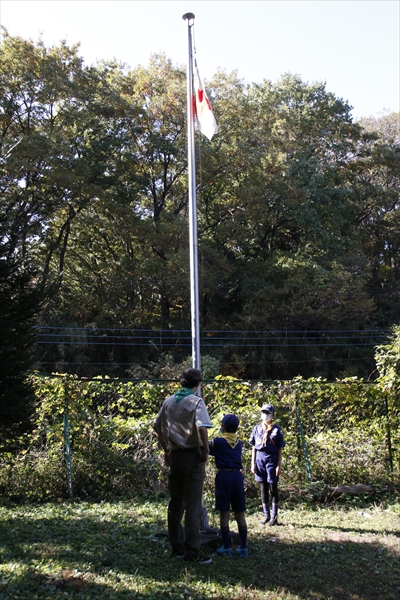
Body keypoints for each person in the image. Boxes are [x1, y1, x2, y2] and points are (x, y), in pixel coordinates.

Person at [153, 368, 213, 564]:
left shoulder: (169, 401)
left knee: (176, 503)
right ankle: (192, 552)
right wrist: (205, 449)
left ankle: (176, 546)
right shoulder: (196, 401)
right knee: (193, 504)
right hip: (192, 456)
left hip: (175, 456)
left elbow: (156, 426)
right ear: (198, 385)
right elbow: (201, 426)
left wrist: (166, 449)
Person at [209, 414, 248, 558]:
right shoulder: (239, 443)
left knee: (224, 512)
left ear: (223, 427)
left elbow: (204, 446)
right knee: (240, 512)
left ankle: (226, 547)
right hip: (237, 477)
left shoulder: (218, 442)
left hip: (224, 476)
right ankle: (243, 547)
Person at [250, 403, 285, 526]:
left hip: (272, 459)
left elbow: (280, 448)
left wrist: (278, 465)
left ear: (272, 415)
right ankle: (266, 515)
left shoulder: (277, 430)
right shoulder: (257, 429)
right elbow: (254, 446)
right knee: (263, 489)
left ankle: (274, 516)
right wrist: (252, 463)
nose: (265, 415)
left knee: (273, 488)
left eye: (267, 413)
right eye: (263, 412)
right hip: (260, 459)